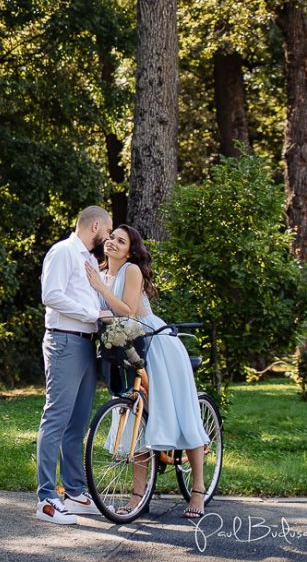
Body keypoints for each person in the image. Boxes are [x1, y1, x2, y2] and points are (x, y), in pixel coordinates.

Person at [84, 224, 211, 520]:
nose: (112, 243)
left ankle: (199, 490)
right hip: (127, 347)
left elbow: (127, 310)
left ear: (130, 250)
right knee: (136, 419)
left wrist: (100, 289)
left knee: (179, 414)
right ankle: (139, 495)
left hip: (155, 344)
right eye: (111, 238)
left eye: (121, 240)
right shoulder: (101, 272)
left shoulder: (131, 271)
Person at [35, 206, 114, 524]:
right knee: (56, 418)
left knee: (78, 423)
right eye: (107, 231)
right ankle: (46, 499)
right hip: (64, 341)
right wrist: (92, 314)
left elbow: (92, 301)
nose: (107, 238)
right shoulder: (63, 251)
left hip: (86, 344)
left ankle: (76, 492)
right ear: (95, 225)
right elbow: (50, 295)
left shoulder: (91, 260)